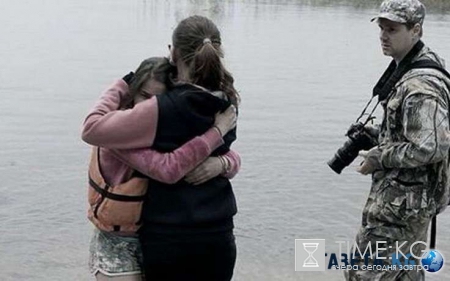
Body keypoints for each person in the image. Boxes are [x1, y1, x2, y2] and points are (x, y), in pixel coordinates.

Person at [82, 15, 240, 281]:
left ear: (173, 53)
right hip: (219, 233)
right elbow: (225, 154)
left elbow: (91, 129)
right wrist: (223, 158)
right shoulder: (227, 101)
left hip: (169, 235)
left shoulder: (162, 108)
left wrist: (124, 82)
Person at [345, 0, 450, 280]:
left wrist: (378, 157)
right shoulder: (412, 65)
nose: (383, 35)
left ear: (416, 30)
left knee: (362, 274)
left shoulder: (420, 84)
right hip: (407, 205)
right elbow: (417, 132)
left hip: (400, 210)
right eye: (381, 28)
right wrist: (379, 134)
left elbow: (431, 146)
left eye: (392, 29)